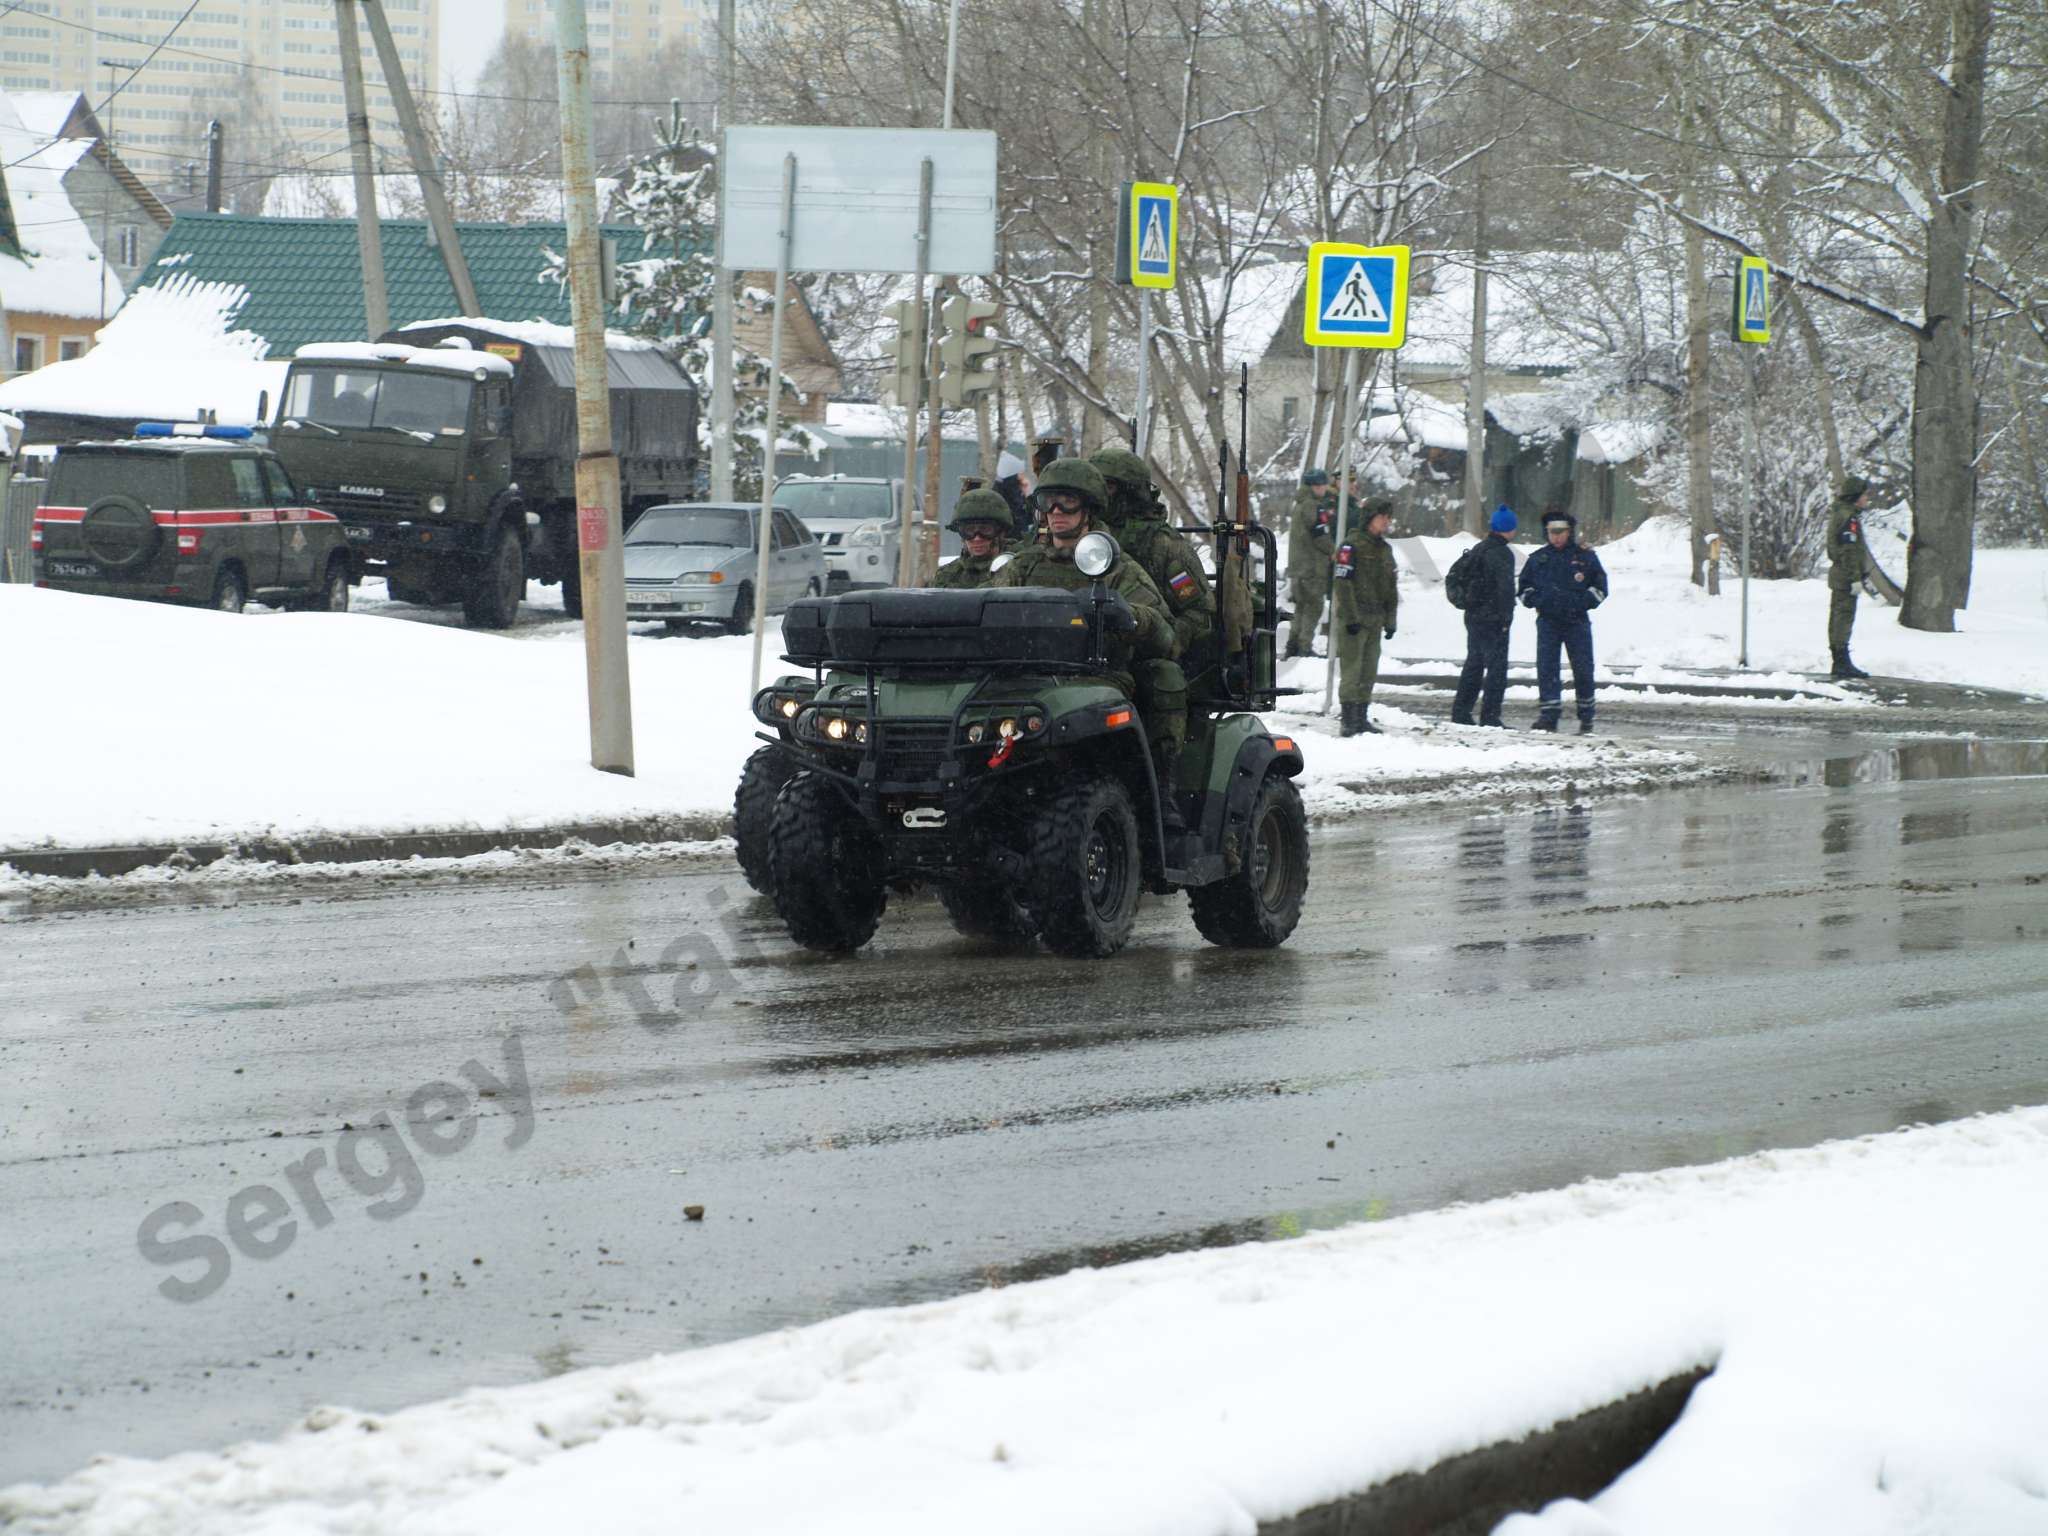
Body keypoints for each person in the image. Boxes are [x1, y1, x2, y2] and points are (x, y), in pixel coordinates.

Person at [995, 458, 1185, 804]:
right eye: (1046, 501)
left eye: (1067, 501)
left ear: (1089, 508)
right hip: (1022, 679)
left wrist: (1127, 615)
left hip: (1098, 678)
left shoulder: (1116, 568)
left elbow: (1167, 636)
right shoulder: (1024, 565)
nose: (1056, 511)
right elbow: (985, 608)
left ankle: (1157, 796)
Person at [1088, 446, 1215, 664]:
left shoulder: (1163, 545)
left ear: (1132, 492)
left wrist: (1168, 641)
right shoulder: (1079, 534)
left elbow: (1199, 613)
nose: (1098, 495)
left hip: (1144, 652)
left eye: (1107, 486)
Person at [1516, 507, 1608, 733]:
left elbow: (1600, 587)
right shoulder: (1538, 559)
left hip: (1577, 621)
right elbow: (1524, 590)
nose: (1556, 536)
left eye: (1561, 531)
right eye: (1551, 532)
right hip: (1548, 622)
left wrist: (1581, 602)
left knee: (1583, 669)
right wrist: (1540, 600)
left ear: (1569, 532)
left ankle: (1586, 716)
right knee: (1547, 668)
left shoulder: (1585, 558)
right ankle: (1549, 715)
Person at [1333, 498, 1399, 736]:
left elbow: (1391, 588)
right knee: (1352, 670)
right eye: (1382, 517)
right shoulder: (1351, 546)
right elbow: (1343, 582)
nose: (1386, 522)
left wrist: (1391, 620)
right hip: (1356, 618)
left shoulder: (1385, 549)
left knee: (1369, 670)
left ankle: (1361, 716)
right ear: (1370, 518)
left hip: (1375, 619)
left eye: (1388, 517)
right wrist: (1351, 617)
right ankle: (1349, 719)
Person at [1449, 505, 1519, 728]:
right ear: (1508, 529)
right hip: (1494, 619)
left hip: (1474, 616)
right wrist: (1507, 618)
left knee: (1474, 664)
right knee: (1496, 669)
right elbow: (1505, 590)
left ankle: (1461, 711)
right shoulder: (1503, 554)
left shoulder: (1479, 549)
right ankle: (1490, 715)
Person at [1826, 475, 1874, 679]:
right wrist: (1855, 578)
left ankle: (1841, 659)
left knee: (1840, 616)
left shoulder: (1842, 514)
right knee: (1843, 618)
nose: (1866, 498)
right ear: (1855, 496)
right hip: (1846, 576)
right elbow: (1848, 551)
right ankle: (1841, 661)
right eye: (1864, 495)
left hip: (1841, 575)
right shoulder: (1848, 518)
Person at [1286, 469, 1336, 657]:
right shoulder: (1314, 507)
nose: (1323, 488)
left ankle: (1293, 644)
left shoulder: (1299, 506)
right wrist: (1334, 551)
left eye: (1323, 484)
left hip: (1298, 568)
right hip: (1313, 568)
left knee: (1301, 607)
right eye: (1319, 485)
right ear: (1311, 487)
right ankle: (1304, 646)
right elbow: (1320, 536)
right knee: (1313, 608)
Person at [927, 488, 1012, 590]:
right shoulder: (947, 576)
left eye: (985, 529)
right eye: (969, 530)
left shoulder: (1018, 568)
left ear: (1001, 532)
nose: (977, 538)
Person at [994, 450, 1034, 543]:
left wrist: (1028, 495)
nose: (1023, 477)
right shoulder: (1003, 497)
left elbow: (1031, 518)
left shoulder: (1015, 493)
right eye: (1020, 474)